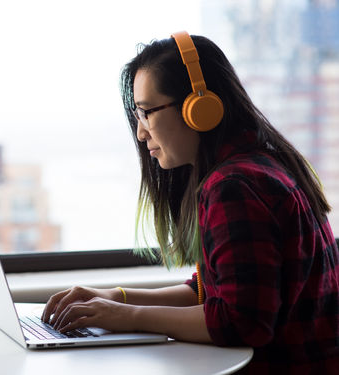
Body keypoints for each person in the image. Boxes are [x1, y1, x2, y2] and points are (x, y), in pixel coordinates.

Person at [41, 31, 339, 374]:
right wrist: (116, 297)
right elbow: (212, 292)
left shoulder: (234, 187)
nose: (141, 133)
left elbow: (241, 321)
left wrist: (128, 317)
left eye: (147, 112)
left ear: (200, 107)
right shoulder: (257, 164)